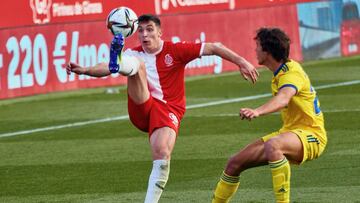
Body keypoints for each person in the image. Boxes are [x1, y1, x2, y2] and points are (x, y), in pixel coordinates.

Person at [66, 14, 259, 203]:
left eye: (150, 29)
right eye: (140, 30)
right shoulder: (135, 53)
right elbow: (104, 67)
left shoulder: (175, 50)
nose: (144, 35)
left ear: (160, 32)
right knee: (135, 64)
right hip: (141, 106)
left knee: (162, 152)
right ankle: (119, 61)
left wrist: (241, 62)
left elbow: (214, 47)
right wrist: (86, 70)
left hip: (168, 110)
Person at [211, 27, 327, 203]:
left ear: (267, 51)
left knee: (274, 145)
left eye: (258, 46)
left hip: (312, 135)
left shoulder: (291, 73)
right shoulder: (280, 72)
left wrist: (257, 111)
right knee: (234, 163)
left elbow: (283, 100)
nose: (255, 49)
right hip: (291, 132)